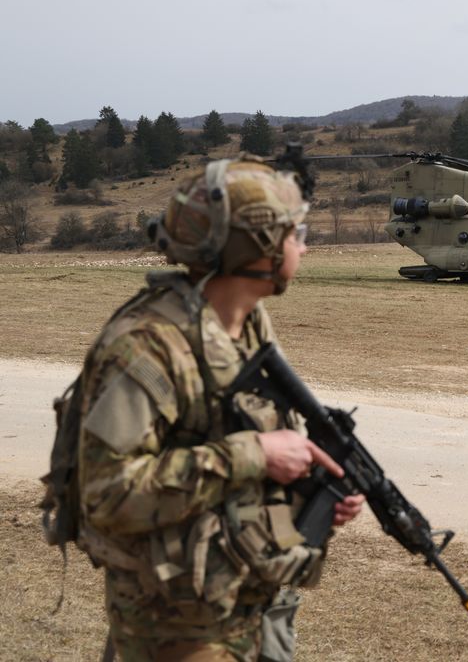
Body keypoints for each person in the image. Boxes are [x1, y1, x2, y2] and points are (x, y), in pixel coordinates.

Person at [73, 155, 365, 661]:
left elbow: (231, 441)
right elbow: (106, 493)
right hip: (173, 629)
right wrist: (253, 455)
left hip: (247, 604)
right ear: (259, 247)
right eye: (296, 233)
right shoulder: (147, 347)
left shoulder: (246, 325)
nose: (304, 244)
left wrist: (313, 489)